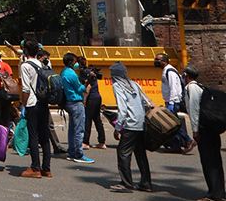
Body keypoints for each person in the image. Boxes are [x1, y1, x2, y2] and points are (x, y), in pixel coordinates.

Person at [109, 62, 152, 192]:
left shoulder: (117, 86)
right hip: (140, 123)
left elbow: (122, 110)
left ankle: (126, 183)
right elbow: (146, 102)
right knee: (140, 153)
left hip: (130, 124)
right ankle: (146, 183)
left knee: (123, 152)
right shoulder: (134, 84)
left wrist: (118, 128)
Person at [184, 66, 224, 201]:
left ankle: (214, 195)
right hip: (212, 129)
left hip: (204, 130)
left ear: (186, 76)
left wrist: (195, 131)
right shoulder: (201, 87)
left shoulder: (191, 88)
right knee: (215, 161)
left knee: (209, 161)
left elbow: (194, 110)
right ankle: (220, 192)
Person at [20, 40, 51, 178]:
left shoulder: (26, 66)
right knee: (44, 136)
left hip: (32, 103)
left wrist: (23, 105)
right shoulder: (43, 64)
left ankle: (35, 168)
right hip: (44, 102)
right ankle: (46, 168)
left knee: (33, 135)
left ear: (25, 51)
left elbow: (26, 89)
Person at [155, 52, 194, 153]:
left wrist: (171, 102)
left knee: (172, 125)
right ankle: (176, 145)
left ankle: (188, 140)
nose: (155, 61)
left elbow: (174, 87)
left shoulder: (170, 71)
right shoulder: (166, 70)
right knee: (172, 124)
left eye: (157, 60)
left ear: (164, 61)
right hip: (169, 101)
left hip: (173, 102)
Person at [61, 52, 93, 164]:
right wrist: (87, 83)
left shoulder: (64, 72)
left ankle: (71, 151)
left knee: (72, 129)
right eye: (75, 61)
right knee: (79, 129)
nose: (77, 64)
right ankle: (79, 154)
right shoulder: (71, 74)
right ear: (71, 62)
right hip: (76, 102)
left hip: (69, 102)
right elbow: (80, 89)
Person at [78, 57, 106, 149]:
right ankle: (102, 142)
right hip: (97, 97)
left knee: (87, 120)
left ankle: (85, 142)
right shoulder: (90, 72)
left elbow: (88, 87)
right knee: (97, 120)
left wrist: (84, 100)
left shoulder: (84, 73)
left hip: (91, 99)